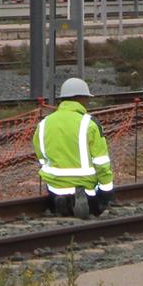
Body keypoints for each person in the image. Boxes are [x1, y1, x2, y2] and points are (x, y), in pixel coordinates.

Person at [34, 77, 114, 218]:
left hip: (55, 184)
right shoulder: (89, 123)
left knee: (57, 189)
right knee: (97, 203)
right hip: (85, 185)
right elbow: (101, 163)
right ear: (81, 98)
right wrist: (106, 192)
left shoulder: (44, 123)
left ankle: (61, 200)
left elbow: (41, 156)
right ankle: (83, 200)